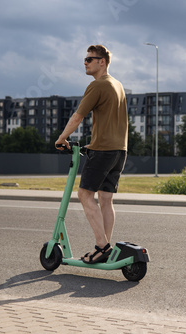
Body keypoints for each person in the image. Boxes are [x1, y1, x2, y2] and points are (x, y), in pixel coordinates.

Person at [55, 45, 128, 264]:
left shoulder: (97, 86)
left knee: (85, 195)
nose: (85, 63)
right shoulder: (118, 85)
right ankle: (106, 247)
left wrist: (61, 139)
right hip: (120, 150)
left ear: (102, 62)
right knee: (105, 199)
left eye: (89, 59)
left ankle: (102, 246)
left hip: (103, 150)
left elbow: (78, 116)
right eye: (84, 59)